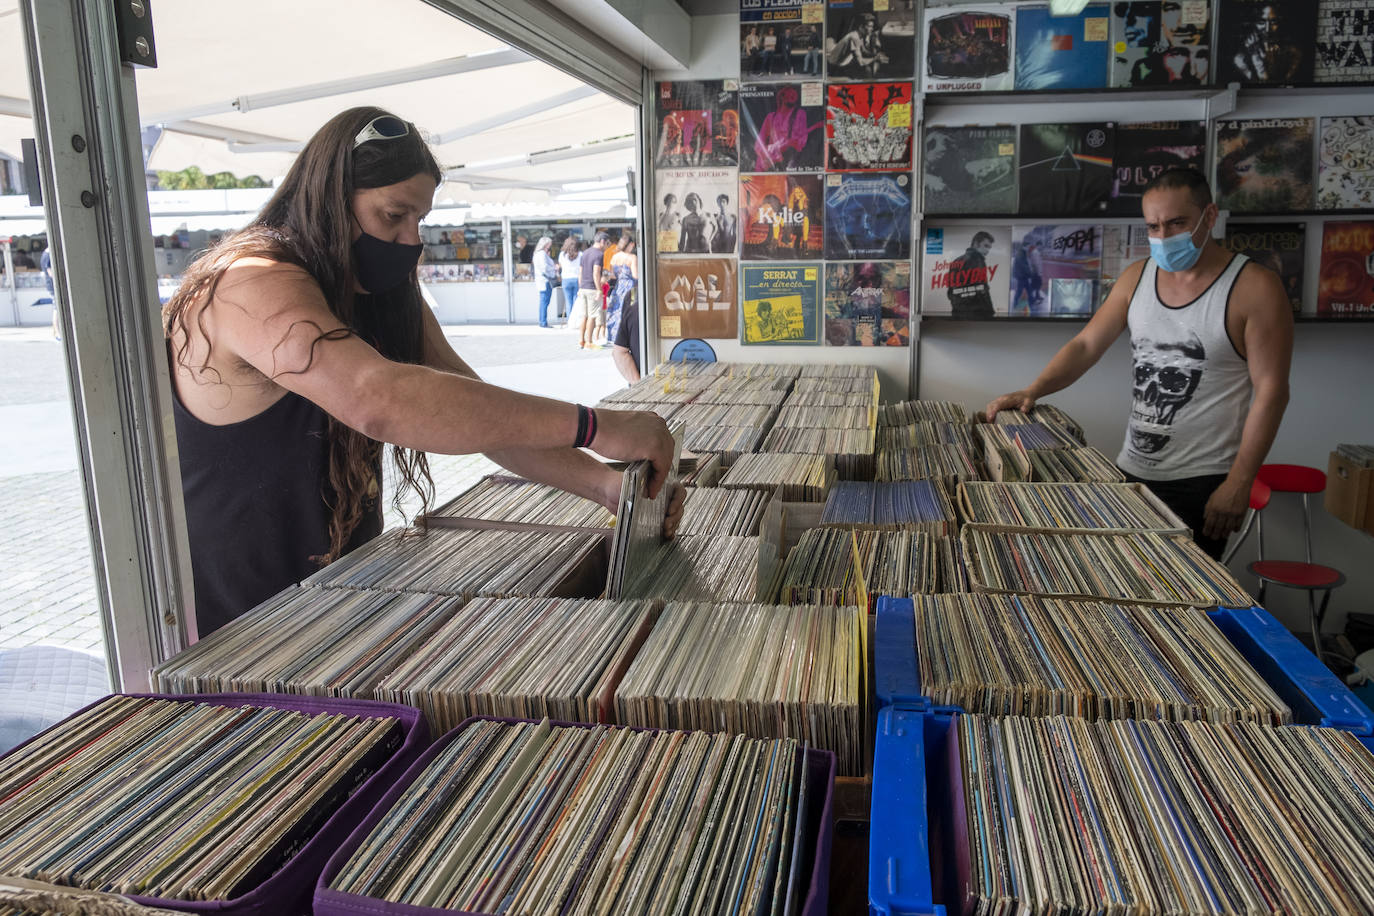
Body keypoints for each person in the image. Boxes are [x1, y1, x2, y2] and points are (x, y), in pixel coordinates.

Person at [161, 108, 681, 635]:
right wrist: (598, 426)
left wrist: (606, 486)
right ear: (329, 197)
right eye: (393, 215)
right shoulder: (250, 283)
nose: (411, 240)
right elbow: (378, 399)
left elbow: (481, 417)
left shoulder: (379, 296)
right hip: (241, 637)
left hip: (339, 607)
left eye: (420, 221)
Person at [986, 169, 1293, 560]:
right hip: (1130, 471)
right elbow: (1086, 344)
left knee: (1186, 607)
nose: (1164, 237)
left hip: (1202, 481)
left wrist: (1239, 482)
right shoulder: (1137, 277)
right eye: (1154, 226)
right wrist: (1034, 390)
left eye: (1177, 223)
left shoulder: (1255, 287)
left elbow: (1272, 392)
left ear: (1210, 215)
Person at [949, 231, 997, 320]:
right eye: (986, 246)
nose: (987, 250)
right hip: (977, 315)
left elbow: (951, 292)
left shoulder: (956, 261)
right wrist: (990, 312)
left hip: (958, 314)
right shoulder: (977, 260)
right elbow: (982, 291)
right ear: (976, 244)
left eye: (989, 248)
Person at [575, 231, 608, 350]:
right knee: (592, 316)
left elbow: (580, 272)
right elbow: (596, 273)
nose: (606, 247)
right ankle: (589, 342)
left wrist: (580, 287)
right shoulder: (599, 254)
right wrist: (599, 290)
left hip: (583, 287)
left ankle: (581, 341)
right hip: (592, 289)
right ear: (603, 242)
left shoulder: (585, 253)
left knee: (584, 315)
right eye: (606, 244)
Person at [829, 13, 888, 79]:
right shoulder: (854, 37)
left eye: (872, 26)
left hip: (844, 63)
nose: (872, 29)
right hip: (836, 67)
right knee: (867, 69)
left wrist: (877, 55)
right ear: (861, 27)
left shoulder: (859, 35)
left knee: (870, 67)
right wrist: (875, 58)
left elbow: (863, 51)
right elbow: (861, 62)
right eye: (869, 26)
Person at [608, 237, 636, 347]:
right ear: (630, 244)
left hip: (618, 288)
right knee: (629, 312)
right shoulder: (632, 258)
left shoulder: (614, 257)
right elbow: (635, 275)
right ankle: (627, 336)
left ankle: (615, 336)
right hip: (630, 288)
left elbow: (612, 275)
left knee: (616, 311)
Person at [533, 236, 557, 328]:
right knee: (545, 302)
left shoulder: (537, 254)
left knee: (544, 301)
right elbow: (544, 267)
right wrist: (554, 268)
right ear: (546, 244)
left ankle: (543, 321)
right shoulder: (542, 253)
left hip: (541, 280)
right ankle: (543, 322)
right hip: (545, 281)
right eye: (549, 243)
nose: (550, 245)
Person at [557, 237, 581, 325]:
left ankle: (569, 321)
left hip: (566, 279)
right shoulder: (580, 254)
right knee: (576, 301)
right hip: (576, 279)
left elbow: (560, 266)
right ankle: (575, 321)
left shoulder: (562, 255)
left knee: (568, 301)